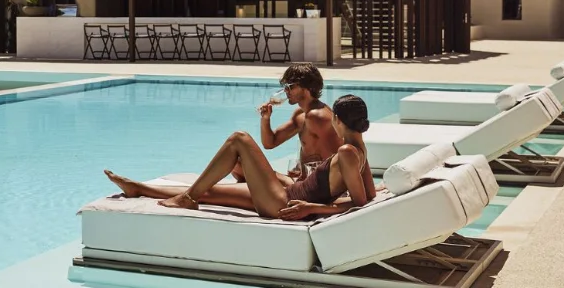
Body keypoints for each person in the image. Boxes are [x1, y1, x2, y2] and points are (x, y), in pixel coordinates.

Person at [104, 95, 375, 221]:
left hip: (282, 202)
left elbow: (359, 204)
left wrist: (312, 208)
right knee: (207, 193)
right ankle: (138, 188)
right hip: (286, 193)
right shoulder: (359, 149)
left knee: (239, 139)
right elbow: (370, 195)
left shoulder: (347, 152)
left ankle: (186, 199)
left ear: (338, 120)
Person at [230, 63, 341, 186]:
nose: (286, 91)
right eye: (285, 87)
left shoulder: (318, 116)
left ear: (306, 87)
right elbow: (270, 143)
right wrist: (266, 119)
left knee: (241, 164)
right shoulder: (301, 115)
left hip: (313, 186)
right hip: (299, 181)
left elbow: (340, 158)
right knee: (237, 164)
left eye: (290, 86)